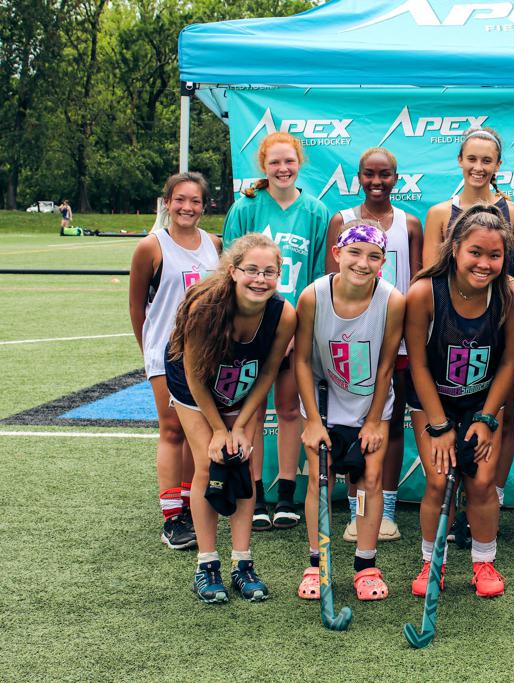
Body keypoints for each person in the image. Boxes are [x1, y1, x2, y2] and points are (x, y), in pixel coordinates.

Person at [165, 233, 297, 603]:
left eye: (269, 272)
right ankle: (206, 566)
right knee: (210, 463)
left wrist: (239, 427)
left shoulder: (283, 313)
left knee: (242, 460)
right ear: (233, 271)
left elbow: (269, 372)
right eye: (251, 270)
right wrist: (219, 430)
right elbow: (193, 375)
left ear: (279, 274)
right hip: (195, 385)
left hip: (244, 382)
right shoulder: (206, 307)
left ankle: (243, 563)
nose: (260, 279)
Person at [405, 204, 514, 598]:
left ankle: (484, 561)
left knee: (482, 482)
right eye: (476, 252)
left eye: (495, 255)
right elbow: (418, 366)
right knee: (439, 481)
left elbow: (510, 361)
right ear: (455, 247)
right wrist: (439, 427)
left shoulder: (511, 296)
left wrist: (488, 419)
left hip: (481, 402)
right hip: (432, 402)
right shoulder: (425, 291)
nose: (485, 263)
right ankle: (431, 562)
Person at [222, 131, 330, 531]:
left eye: (289, 162)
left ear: (299, 162)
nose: (283, 169)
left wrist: (297, 332)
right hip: (251, 325)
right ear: (263, 167)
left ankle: (286, 493)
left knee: (288, 410)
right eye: (274, 163)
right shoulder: (247, 207)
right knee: (250, 413)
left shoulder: (316, 211)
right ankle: (256, 494)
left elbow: (319, 276)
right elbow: (228, 271)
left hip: (292, 325)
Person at [294, 222, 405, 601]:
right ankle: (316, 562)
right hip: (325, 407)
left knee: (368, 483)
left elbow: (387, 366)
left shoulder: (392, 300)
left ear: (382, 263)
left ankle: (365, 564)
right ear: (338, 254)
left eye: (374, 256)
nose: (363, 262)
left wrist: (375, 420)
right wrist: (311, 420)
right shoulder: (313, 296)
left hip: (369, 409)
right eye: (355, 252)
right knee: (318, 482)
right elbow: (303, 362)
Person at [423, 127, 514, 519]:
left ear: (498, 165)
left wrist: (494, 307)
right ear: (460, 161)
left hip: (500, 331)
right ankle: (450, 509)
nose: (479, 167)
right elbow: (429, 275)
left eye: (487, 160)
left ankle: (488, 500)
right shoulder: (439, 213)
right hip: (451, 336)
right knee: (449, 416)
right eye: (472, 159)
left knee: (501, 416)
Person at [327, 147, 423, 543]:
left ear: (396, 178)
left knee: (391, 421)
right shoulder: (343, 219)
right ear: (359, 177)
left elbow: (417, 281)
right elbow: (332, 280)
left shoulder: (409, 223)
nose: (377, 182)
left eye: (385, 175)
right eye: (369, 174)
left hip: (396, 338)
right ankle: (356, 512)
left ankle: (385, 511)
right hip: (353, 340)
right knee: (353, 427)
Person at [129, 172, 221, 551]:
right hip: (167, 353)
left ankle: (189, 505)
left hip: (207, 353)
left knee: (197, 432)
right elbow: (138, 307)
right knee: (172, 430)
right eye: (180, 199)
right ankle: (172, 518)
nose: (187, 207)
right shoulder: (151, 247)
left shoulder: (215, 244)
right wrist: (150, 351)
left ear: (204, 205)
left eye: (195, 201)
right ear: (167, 202)